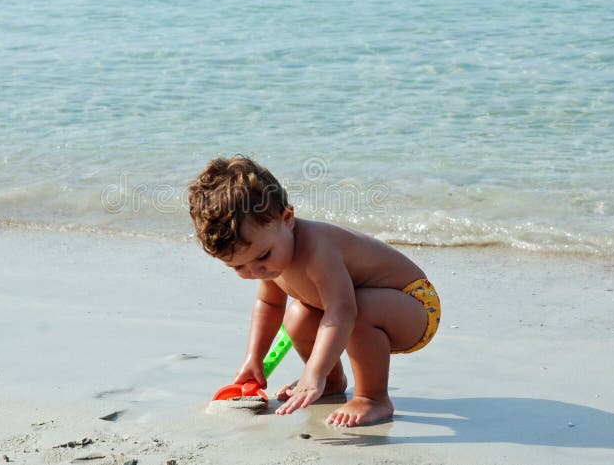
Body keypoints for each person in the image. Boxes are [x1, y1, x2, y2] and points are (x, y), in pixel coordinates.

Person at [188, 156, 441, 427]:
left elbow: (343, 310)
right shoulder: (272, 258)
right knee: (296, 317)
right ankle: (332, 382)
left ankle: (373, 397)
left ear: (287, 219)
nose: (256, 271)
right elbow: (270, 305)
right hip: (359, 310)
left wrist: (313, 371)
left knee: (357, 306)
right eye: (238, 266)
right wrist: (254, 359)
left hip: (415, 306)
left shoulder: (317, 250)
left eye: (263, 256)